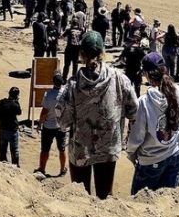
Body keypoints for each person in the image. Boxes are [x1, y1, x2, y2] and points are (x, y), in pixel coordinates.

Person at [56, 31, 138, 199]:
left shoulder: (73, 85)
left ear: (82, 54)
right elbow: (133, 110)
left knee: (80, 195)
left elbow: (62, 121)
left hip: (80, 149)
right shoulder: (119, 79)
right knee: (105, 195)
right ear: (102, 52)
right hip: (108, 148)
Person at [126, 53, 179, 194]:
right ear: (165, 70)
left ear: (146, 74)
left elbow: (137, 136)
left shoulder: (144, 102)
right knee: (167, 200)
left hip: (150, 160)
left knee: (140, 203)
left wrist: (131, 153)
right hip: (174, 155)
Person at [35, 74, 69, 177]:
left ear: (53, 82)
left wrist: (40, 124)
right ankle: (62, 169)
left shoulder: (48, 95)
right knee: (62, 149)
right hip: (61, 125)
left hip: (49, 126)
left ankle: (42, 168)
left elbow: (44, 112)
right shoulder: (65, 94)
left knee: (45, 149)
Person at [0, 87, 22, 167]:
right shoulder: (15, 105)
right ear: (16, 96)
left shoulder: (2, 102)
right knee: (14, 150)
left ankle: (2, 166)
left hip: (3, 129)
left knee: (2, 149)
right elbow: (19, 112)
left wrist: (2, 119)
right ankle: (16, 167)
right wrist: (17, 102)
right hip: (12, 130)